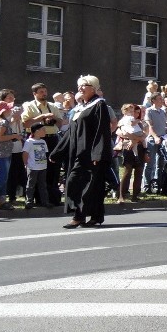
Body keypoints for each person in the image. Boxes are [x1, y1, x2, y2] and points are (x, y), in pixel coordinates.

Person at [50, 75, 112, 228]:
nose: (81, 88)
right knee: (87, 184)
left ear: (93, 88)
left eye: (85, 85)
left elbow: (102, 131)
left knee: (83, 184)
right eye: (79, 85)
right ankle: (93, 216)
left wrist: (98, 153)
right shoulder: (79, 108)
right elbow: (70, 133)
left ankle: (79, 216)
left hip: (90, 154)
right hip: (77, 153)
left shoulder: (99, 105)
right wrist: (57, 152)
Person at [21, 82, 64, 205]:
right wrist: (42, 117)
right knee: (37, 168)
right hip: (36, 141)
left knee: (53, 167)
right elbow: (26, 124)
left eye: (45, 91)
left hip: (52, 138)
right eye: (41, 92)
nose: (44, 94)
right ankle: (37, 198)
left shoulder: (53, 106)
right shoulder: (30, 106)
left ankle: (52, 197)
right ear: (34, 93)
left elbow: (60, 124)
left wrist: (54, 119)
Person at [115, 104, 148, 203]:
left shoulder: (142, 123)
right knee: (127, 170)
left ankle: (135, 195)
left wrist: (135, 140)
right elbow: (120, 132)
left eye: (138, 112)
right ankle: (121, 195)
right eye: (134, 111)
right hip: (127, 146)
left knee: (139, 170)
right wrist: (133, 139)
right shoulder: (124, 120)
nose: (136, 114)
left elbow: (144, 135)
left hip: (140, 147)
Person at [23, 123, 51, 209]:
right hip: (33, 167)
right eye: (43, 130)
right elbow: (25, 153)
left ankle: (45, 201)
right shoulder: (29, 141)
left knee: (43, 185)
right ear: (37, 131)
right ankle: (29, 201)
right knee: (31, 185)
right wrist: (26, 164)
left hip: (42, 166)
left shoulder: (43, 141)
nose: (45, 131)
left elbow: (45, 153)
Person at [144, 93, 167, 193]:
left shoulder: (163, 111)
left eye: (161, 99)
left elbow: (165, 126)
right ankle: (147, 186)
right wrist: (155, 137)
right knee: (150, 163)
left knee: (161, 164)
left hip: (162, 139)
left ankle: (158, 184)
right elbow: (150, 126)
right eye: (159, 99)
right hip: (152, 140)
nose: (161, 101)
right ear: (153, 100)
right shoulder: (149, 111)